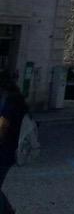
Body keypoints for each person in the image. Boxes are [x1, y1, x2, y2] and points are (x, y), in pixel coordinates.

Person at [0, 71, 27, 214]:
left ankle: (7, 211)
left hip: (3, 150)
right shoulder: (18, 98)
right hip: (11, 149)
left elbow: (3, 125)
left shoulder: (9, 100)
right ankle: (8, 210)